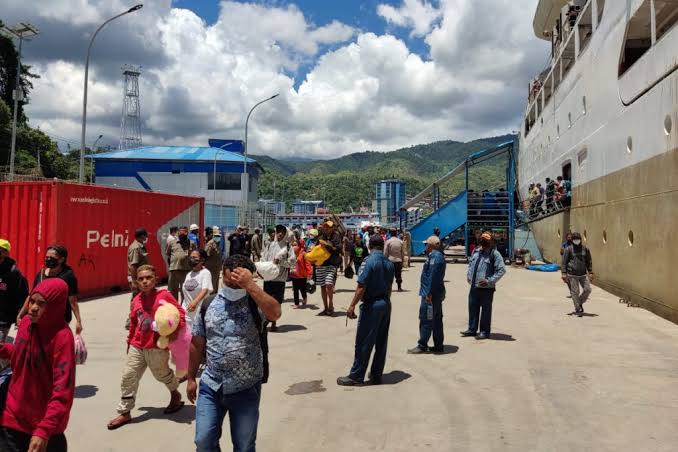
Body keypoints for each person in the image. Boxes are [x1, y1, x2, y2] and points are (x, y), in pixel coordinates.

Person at [187, 254, 281, 452]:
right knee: (203, 441)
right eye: (230, 277)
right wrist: (190, 378)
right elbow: (196, 343)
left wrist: (251, 287)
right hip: (211, 385)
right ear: (222, 274)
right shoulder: (208, 304)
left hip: (245, 387)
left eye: (240, 279)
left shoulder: (256, 302)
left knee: (244, 446)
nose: (234, 283)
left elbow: (275, 313)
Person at [0, 279, 75, 452]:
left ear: (55, 306)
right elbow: (22, 354)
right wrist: (2, 349)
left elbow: (63, 391)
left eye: (41, 304)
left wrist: (44, 430)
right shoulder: (26, 323)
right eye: (32, 301)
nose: (33, 307)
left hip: (44, 426)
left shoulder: (62, 337)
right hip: (13, 416)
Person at [107, 265, 185, 430]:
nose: (145, 281)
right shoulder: (136, 301)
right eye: (141, 279)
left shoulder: (164, 296)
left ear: (155, 279)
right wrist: (129, 343)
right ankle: (125, 412)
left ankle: (175, 394)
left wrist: (174, 333)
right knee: (128, 375)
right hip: (137, 345)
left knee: (162, 375)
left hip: (157, 346)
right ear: (136, 282)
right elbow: (134, 324)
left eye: (148, 278)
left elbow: (180, 314)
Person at [337, 235, 394, 386]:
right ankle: (376, 374)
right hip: (386, 303)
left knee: (363, 341)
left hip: (372, 304)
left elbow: (362, 286)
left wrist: (352, 305)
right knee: (381, 341)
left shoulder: (368, 262)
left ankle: (356, 376)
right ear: (382, 246)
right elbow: (389, 287)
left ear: (369, 245)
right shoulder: (389, 263)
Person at [17, 245, 82, 335]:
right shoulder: (41, 275)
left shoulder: (68, 276)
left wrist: (78, 321)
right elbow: (31, 296)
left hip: (59, 320)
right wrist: (20, 314)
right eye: (47, 257)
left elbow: (73, 300)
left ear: (61, 259)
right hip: (39, 317)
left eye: (52, 258)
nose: (48, 260)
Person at [461, 232, 506, 340]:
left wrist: (489, 281)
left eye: (485, 240)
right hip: (474, 286)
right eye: (482, 239)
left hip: (487, 288)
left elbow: (501, 270)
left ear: (490, 242)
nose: (482, 242)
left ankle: (484, 332)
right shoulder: (475, 251)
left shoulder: (494, 254)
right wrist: (469, 275)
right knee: (472, 308)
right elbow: (471, 264)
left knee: (486, 311)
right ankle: (472, 329)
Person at [408, 235, 447, 354]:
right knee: (436, 319)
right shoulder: (435, 256)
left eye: (426, 244)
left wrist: (428, 293)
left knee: (426, 319)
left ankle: (422, 345)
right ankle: (438, 345)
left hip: (430, 294)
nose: (425, 246)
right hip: (434, 293)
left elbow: (433, 277)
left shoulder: (435, 257)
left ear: (430, 245)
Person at [261, 225, 296, 331]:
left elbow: (292, 262)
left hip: (280, 280)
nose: (280, 234)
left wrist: (281, 262)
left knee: (276, 302)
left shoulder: (288, 247)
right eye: (278, 231)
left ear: (285, 233)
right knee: (266, 301)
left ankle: (273, 323)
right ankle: (265, 320)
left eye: (282, 232)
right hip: (268, 279)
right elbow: (264, 257)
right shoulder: (270, 245)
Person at [0, 239, 28, 364]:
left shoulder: (14, 274)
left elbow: (23, 296)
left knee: (1, 347)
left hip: (4, 317)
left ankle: (7, 370)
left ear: (6, 253)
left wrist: (20, 315)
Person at [561, 232, 593, 317]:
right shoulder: (568, 249)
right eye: (574, 239)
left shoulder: (585, 249)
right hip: (572, 274)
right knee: (575, 292)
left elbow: (588, 261)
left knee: (588, 289)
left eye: (578, 239)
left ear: (580, 239)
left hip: (583, 274)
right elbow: (564, 262)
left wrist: (590, 272)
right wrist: (563, 273)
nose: (576, 241)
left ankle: (579, 302)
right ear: (572, 240)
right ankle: (578, 308)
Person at [315, 220, 342, 316]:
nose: (326, 228)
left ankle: (331, 304)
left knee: (328, 284)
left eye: (328, 227)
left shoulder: (336, 237)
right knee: (322, 286)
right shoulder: (321, 237)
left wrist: (329, 245)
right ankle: (325, 308)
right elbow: (315, 249)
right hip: (321, 264)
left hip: (332, 264)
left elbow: (339, 248)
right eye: (325, 227)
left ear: (332, 228)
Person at [183, 249, 213, 329]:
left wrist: (194, 303)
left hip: (199, 313)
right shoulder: (188, 274)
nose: (191, 259)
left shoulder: (205, 273)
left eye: (194, 257)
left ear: (202, 260)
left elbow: (205, 289)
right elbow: (185, 293)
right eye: (190, 257)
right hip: (187, 313)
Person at [126, 228, 149, 329]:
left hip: (139, 278)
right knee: (136, 299)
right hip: (137, 279)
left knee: (140, 299)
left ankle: (136, 320)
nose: (146, 237)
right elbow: (133, 266)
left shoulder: (140, 246)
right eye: (145, 235)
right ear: (142, 236)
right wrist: (135, 282)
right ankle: (130, 321)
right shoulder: (136, 247)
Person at [168, 227, 196, 302]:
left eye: (184, 234)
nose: (182, 235)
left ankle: (183, 308)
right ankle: (174, 307)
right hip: (174, 270)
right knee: (172, 291)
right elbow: (168, 254)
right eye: (180, 234)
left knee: (185, 290)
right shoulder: (172, 242)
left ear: (187, 234)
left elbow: (194, 255)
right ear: (178, 233)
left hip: (186, 270)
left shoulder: (191, 243)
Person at [290, 230, 312, 308]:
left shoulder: (303, 253)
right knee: (295, 290)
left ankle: (304, 298)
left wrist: (309, 273)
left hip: (302, 275)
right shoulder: (292, 254)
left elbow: (307, 263)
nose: (294, 246)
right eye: (293, 245)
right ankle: (296, 303)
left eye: (296, 245)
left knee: (302, 289)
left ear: (300, 246)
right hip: (294, 274)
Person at [205, 227, 223, 294]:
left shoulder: (217, 243)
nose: (218, 237)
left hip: (216, 268)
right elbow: (206, 254)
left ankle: (214, 296)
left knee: (216, 284)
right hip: (211, 268)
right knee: (212, 284)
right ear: (213, 236)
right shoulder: (210, 243)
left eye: (219, 236)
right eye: (216, 236)